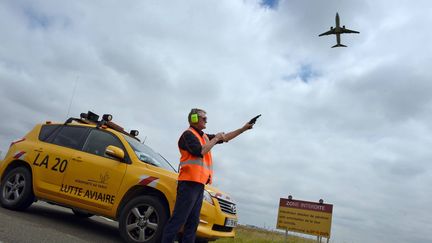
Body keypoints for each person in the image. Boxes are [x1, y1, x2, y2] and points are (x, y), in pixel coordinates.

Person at [162, 108, 254, 243]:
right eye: (203, 118)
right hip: (188, 184)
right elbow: (201, 151)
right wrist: (216, 138)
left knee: (192, 224)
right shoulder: (188, 135)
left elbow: (225, 137)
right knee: (178, 220)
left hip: (199, 186)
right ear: (194, 119)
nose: (206, 120)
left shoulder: (204, 137)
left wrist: (243, 129)